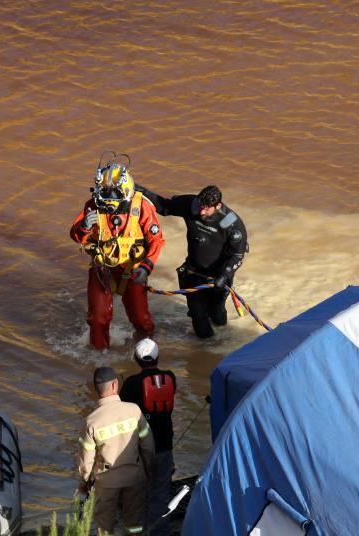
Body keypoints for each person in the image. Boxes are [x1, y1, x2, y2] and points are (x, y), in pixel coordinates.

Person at [70, 154, 165, 349]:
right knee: (97, 319)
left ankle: (147, 351)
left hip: (133, 271)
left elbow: (157, 240)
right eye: (105, 192)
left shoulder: (141, 206)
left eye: (113, 193)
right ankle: (99, 359)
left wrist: (146, 267)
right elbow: (75, 235)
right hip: (102, 270)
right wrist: (84, 227)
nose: (108, 198)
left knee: (141, 320)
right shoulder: (92, 206)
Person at [135, 184, 247, 338]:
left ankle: (222, 346)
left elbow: (238, 255)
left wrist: (225, 275)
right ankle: (205, 351)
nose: (201, 211)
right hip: (193, 273)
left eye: (207, 208)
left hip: (218, 278)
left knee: (218, 315)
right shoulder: (191, 205)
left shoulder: (232, 224)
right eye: (201, 206)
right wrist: (142, 191)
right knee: (199, 319)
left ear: (218, 206)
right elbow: (164, 207)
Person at [78, 366, 155, 535]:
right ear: (115, 385)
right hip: (134, 477)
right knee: (134, 524)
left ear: (96, 389)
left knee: (104, 526)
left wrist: (85, 482)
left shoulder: (91, 421)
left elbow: (86, 461)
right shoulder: (134, 410)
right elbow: (148, 446)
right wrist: (148, 471)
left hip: (106, 483)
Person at [119, 338, 176, 536]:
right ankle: (161, 531)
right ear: (158, 357)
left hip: (142, 450)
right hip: (165, 446)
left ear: (136, 359)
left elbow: (123, 411)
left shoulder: (131, 384)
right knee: (161, 493)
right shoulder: (171, 377)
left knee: (139, 493)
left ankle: (139, 530)